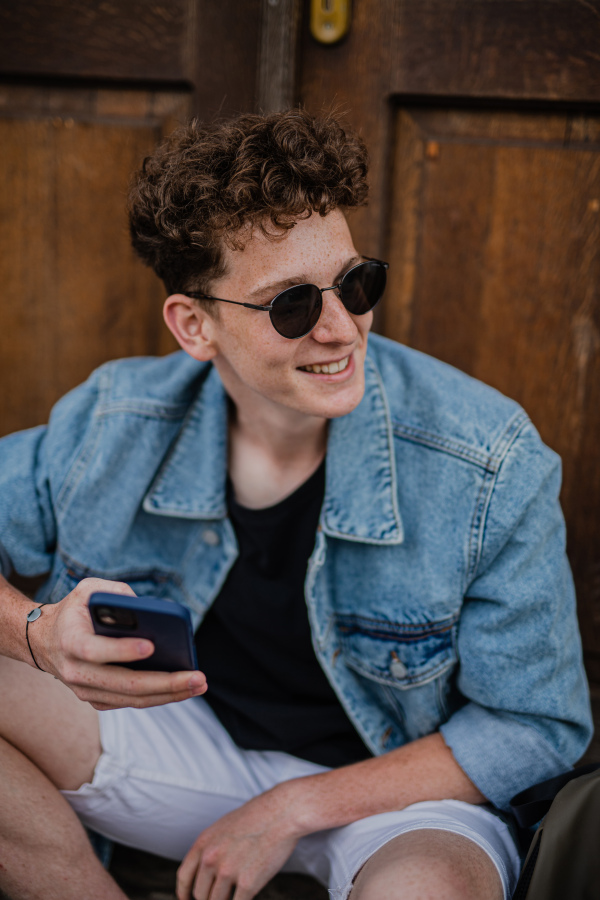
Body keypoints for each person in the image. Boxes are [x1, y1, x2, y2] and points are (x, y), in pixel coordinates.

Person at [0, 109, 592, 900]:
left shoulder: (486, 457)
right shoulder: (113, 423)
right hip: (183, 758)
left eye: (356, 283)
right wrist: (36, 634)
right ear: (194, 325)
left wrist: (293, 808)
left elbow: (536, 725)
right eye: (292, 305)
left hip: (396, 795)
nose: (344, 329)